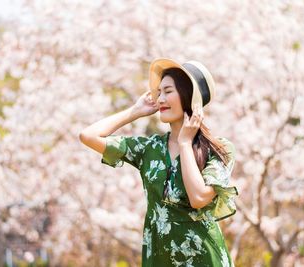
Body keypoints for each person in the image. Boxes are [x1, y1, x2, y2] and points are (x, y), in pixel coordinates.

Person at [79, 58, 238, 267]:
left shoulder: (219, 150)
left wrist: (184, 143)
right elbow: (88, 135)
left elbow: (199, 198)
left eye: (168, 91)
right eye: (159, 91)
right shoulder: (149, 149)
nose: (160, 98)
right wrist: (133, 112)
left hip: (205, 259)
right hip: (159, 258)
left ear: (189, 96)